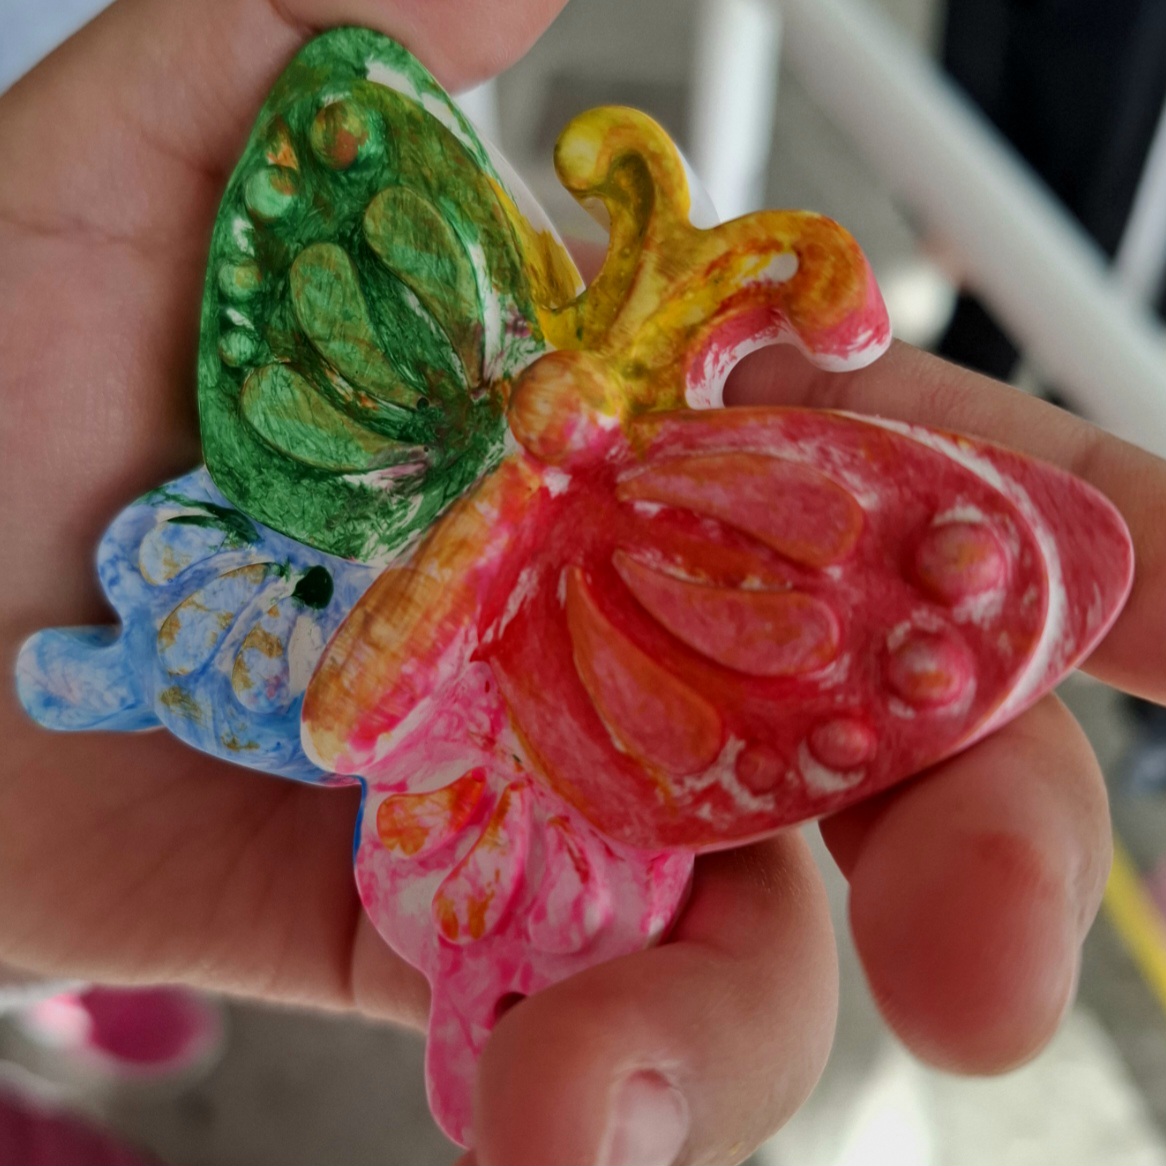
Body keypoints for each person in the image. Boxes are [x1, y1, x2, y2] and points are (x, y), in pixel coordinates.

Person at [0, 2, 1163, 1164]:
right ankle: (140, 682)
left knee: (567, 896)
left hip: (357, 607)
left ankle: (180, 728)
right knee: (557, 864)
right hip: (404, 634)